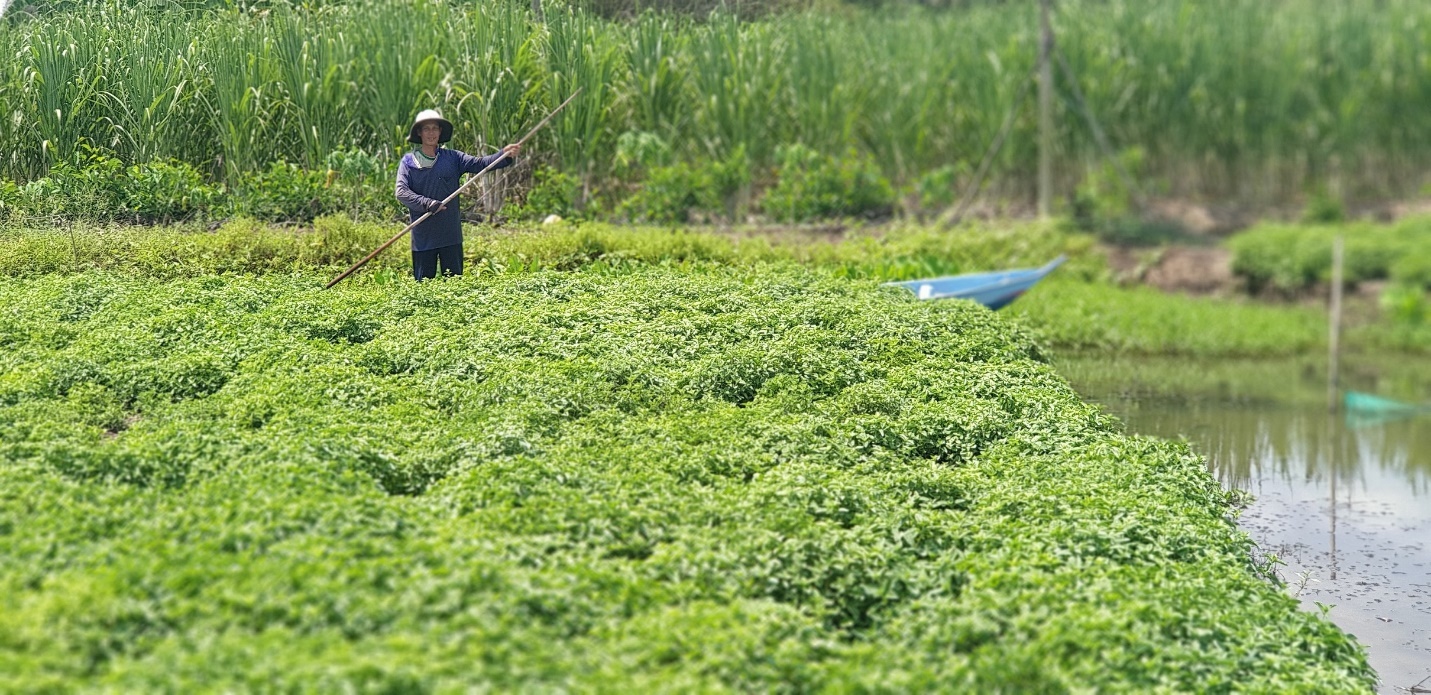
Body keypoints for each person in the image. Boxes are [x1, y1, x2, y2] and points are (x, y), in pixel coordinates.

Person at [394, 109, 520, 280]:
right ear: (419, 133)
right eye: (426, 129)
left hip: (450, 235)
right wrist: (428, 203)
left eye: (435, 128)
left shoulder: (453, 158)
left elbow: (481, 164)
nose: (431, 133)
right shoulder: (408, 162)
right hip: (423, 236)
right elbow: (401, 192)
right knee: (423, 287)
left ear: (440, 132)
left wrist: (503, 155)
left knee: (455, 283)